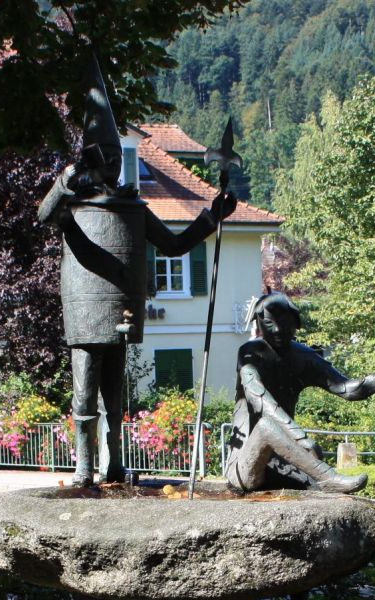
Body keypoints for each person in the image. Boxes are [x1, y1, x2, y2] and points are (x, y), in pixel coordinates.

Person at [37, 58, 235, 486]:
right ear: (90, 159)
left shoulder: (134, 210)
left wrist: (211, 217)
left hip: (123, 309)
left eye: (115, 156)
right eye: (103, 156)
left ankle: (115, 463)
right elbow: (45, 215)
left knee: (115, 394)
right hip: (86, 307)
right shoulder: (76, 206)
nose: (111, 163)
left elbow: (175, 245)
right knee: (85, 392)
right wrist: (64, 181)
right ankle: (84, 467)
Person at [226, 292, 375, 493]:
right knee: (266, 426)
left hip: (282, 465)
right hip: (245, 468)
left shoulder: (303, 356)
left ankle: (322, 479)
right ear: (259, 323)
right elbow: (259, 398)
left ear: (296, 323)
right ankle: (329, 478)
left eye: (285, 322)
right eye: (269, 322)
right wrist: (299, 438)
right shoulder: (250, 353)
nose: (278, 329)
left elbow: (350, 389)